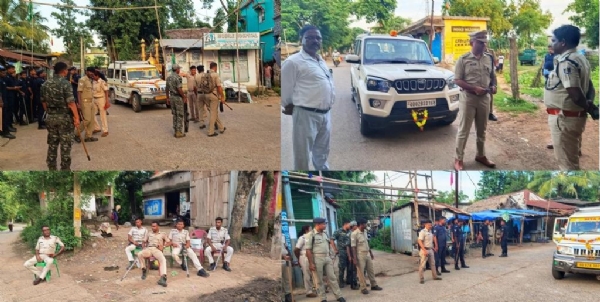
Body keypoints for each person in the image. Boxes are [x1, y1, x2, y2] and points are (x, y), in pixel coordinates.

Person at [281, 24, 335, 170]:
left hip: (325, 114)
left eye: (318, 38)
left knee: (322, 151)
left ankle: (322, 172)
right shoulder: (293, 62)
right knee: (302, 154)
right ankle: (302, 176)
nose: (315, 40)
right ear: (302, 40)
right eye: (310, 37)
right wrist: (291, 106)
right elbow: (285, 89)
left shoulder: (320, 60)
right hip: (305, 114)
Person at [544, 25, 592, 170]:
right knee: (571, 158)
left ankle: (571, 191)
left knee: (567, 165)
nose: (552, 44)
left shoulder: (566, 62)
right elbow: (590, 87)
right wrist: (589, 105)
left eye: (554, 40)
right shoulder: (580, 58)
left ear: (563, 42)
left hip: (564, 119)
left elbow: (576, 95)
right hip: (571, 118)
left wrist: (588, 107)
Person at [453, 30, 497, 171]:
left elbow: (492, 75)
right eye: (480, 42)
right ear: (471, 42)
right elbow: (457, 80)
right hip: (469, 98)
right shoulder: (463, 59)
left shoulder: (489, 58)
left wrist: (494, 86)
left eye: (484, 43)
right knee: (464, 130)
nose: (483, 45)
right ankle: (458, 159)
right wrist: (473, 88)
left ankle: (481, 155)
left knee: (482, 130)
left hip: (485, 98)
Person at [42, 62, 80, 171]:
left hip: (51, 117)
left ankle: (52, 167)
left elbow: (43, 102)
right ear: (64, 71)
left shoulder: (45, 84)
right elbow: (71, 103)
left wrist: (50, 113)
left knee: (52, 143)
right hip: (64, 118)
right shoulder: (65, 84)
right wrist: (76, 118)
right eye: (67, 70)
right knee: (65, 144)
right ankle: (65, 168)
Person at [305, 217, 345, 302]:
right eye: (323, 224)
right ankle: (322, 298)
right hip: (317, 258)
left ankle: (339, 296)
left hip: (327, 257)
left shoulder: (325, 234)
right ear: (317, 225)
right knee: (319, 280)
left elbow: (328, 245)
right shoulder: (310, 235)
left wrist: (331, 255)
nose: (325, 225)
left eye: (325, 223)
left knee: (332, 277)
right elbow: (308, 250)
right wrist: (311, 263)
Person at [351, 218, 383, 294]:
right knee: (361, 272)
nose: (366, 225)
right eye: (365, 224)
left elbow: (367, 243)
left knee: (371, 270)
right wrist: (354, 258)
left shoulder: (365, 232)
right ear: (361, 224)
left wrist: (371, 253)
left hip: (367, 254)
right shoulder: (354, 234)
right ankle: (363, 288)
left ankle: (374, 285)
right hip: (360, 255)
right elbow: (353, 247)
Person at [138, 222, 169, 287]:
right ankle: (144, 269)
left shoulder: (163, 234)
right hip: (149, 249)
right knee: (140, 254)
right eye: (152, 226)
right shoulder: (149, 233)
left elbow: (169, 242)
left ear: (158, 227)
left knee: (163, 259)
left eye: (154, 226)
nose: (153, 228)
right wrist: (143, 247)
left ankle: (163, 277)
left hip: (157, 249)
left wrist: (163, 246)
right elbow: (144, 241)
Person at [200, 62, 226, 137]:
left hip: (206, 95)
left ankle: (221, 128)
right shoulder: (215, 75)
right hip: (213, 95)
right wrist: (222, 97)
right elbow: (219, 87)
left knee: (213, 112)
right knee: (213, 113)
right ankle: (210, 131)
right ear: (215, 67)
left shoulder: (205, 74)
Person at [293, 225, 317, 298]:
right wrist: (299, 258)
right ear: (306, 230)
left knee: (315, 273)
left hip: (312, 256)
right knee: (307, 274)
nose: (312, 230)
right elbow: (296, 249)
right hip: (304, 257)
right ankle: (308, 291)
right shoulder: (302, 238)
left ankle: (317, 288)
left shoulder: (312, 237)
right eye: (310, 229)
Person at [77, 68, 99, 142]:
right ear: (87, 72)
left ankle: (88, 136)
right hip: (85, 102)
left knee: (92, 120)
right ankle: (76, 134)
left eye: (93, 72)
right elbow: (79, 92)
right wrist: (79, 104)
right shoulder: (82, 80)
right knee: (87, 120)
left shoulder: (90, 80)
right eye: (90, 72)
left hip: (91, 102)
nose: (92, 74)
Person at [166, 64, 187, 138]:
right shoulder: (178, 77)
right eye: (179, 69)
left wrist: (167, 98)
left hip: (171, 97)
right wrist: (184, 97)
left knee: (174, 114)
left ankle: (175, 129)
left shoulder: (169, 77)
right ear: (177, 69)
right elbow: (179, 89)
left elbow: (167, 88)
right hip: (177, 97)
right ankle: (178, 132)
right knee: (180, 114)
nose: (179, 70)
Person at [418, 219, 442, 284]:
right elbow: (419, 241)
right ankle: (421, 278)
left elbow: (430, 241)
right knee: (422, 265)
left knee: (433, 264)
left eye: (431, 225)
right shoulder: (422, 232)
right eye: (429, 225)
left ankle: (435, 276)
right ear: (425, 225)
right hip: (424, 250)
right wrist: (424, 250)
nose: (430, 226)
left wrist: (433, 247)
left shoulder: (430, 232)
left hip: (430, 249)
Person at [333, 220, 352, 288]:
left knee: (349, 266)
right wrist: (335, 249)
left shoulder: (350, 232)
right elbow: (332, 240)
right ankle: (341, 281)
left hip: (349, 251)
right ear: (345, 224)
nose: (350, 226)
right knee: (342, 267)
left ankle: (348, 280)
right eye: (349, 224)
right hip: (342, 251)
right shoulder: (338, 231)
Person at [91, 70, 109, 137]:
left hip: (101, 99)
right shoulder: (93, 82)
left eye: (94, 76)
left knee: (103, 115)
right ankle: (97, 127)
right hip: (94, 99)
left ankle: (105, 130)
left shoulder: (102, 82)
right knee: (92, 114)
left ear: (97, 76)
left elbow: (106, 91)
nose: (92, 77)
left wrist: (107, 101)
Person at [0, 65, 16, 139]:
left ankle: (5, 130)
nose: (4, 73)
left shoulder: (3, 80)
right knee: (3, 117)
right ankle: (5, 132)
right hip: (2, 101)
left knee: (5, 116)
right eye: (2, 72)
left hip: (5, 99)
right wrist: (1, 101)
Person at [347, 221, 359, 290]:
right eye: (356, 225)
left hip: (356, 253)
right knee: (353, 270)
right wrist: (349, 256)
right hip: (352, 255)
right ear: (353, 226)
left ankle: (357, 282)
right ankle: (353, 284)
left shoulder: (355, 233)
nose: (357, 226)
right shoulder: (350, 234)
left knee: (356, 270)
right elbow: (348, 246)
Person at [281, 234, 293, 302]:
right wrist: (282, 256)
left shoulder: (283, 235)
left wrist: (290, 256)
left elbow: (286, 247)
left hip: (286, 260)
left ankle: (288, 297)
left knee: (288, 279)